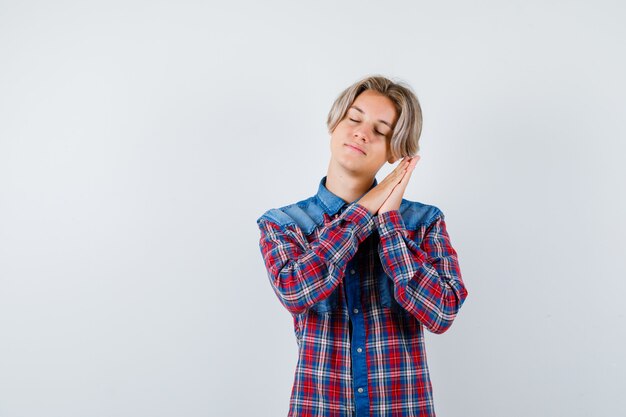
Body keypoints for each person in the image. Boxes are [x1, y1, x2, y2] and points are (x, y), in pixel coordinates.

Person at [255, 74, 469, 417]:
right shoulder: (283, 224)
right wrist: (364, 210)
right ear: (334, 124)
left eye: (380, 130)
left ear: (395, 151)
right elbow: (295, 291)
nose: (361, 132)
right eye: (354, 119)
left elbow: (442, 313)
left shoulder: (424, 223)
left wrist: (388, 223)